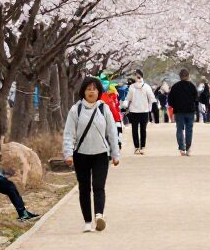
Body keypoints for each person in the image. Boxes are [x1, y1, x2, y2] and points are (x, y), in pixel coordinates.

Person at [63, 76, 121, 232]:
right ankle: (87, 222)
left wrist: (116, 154)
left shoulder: (104, 109)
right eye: (88, 88)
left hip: (101, 154)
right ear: (83, 91)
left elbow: (112, 133)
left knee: (98, 186)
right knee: (84, 188)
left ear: (99, 91)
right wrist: (68, 154)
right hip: (81, 154)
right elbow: (69, 134)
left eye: (94, 89)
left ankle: (99, 215)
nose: (91, 91)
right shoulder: (76, 110)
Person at [123, 69, 156, 154]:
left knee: (134, 130)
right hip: (144, 111)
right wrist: (151, 108)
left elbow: (128, 99)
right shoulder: (147, 87)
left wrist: (124, 106)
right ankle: (143, 147)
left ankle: (136, 147)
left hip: (134, 111)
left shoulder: (132, 87)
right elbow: (152, 98)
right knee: (143, 130)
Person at [168, 68, 199, 155]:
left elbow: (170, 100)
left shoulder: (175, 87)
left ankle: (182, 148)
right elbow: (196, 99)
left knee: (179, 129)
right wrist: (194, 109)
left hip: (179, 112)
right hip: (190, 111)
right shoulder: (192, 86)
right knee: (189, 130)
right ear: (188, 76)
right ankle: (188, 148)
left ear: (180, 76)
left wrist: (175, 107)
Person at [100, 80, 124, 149]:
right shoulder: (103, 96)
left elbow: (117, 106)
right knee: (111, 132)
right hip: (109, 118)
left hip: (115, 117)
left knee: (116, 131)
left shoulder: (114, 95)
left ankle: (117, 142)